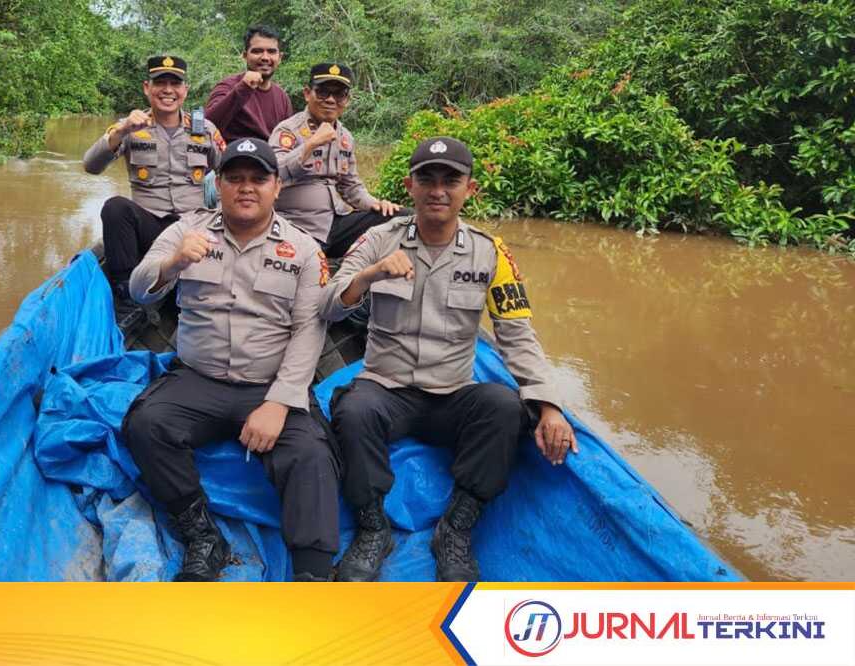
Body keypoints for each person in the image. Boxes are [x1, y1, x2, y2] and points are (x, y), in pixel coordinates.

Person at [321, 137, 578, 582]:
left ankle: (456, 529)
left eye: (450, 180)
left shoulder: (491, 253)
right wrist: (370, 274)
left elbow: (516, 334)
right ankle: (372, 528)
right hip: (385, 386)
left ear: (469, 189)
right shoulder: (378, 239)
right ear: (410, 185)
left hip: (452, 393)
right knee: (351, 408)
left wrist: (549, 406)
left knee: (503, 407)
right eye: (427, 179)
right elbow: (328, 306)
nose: (438, 190)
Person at [122, 138, 339, 582]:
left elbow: (309, 331)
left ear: (276, 186)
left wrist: (280, 403)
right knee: (145, 425)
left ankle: (313, 576)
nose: (246, 188)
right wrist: (173, 263)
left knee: (313, 456)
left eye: (258, 178)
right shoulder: (187, 230)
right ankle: (201, 534)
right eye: (234, 178)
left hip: (269, 382)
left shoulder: (304, 249)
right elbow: (138, 290)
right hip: (198, 379)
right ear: (216, 184)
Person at [83, 55, 225, 331]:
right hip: (148, 225)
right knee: (115, 207)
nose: (168, 90)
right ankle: (127, 297)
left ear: (186, 89)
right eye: (160, 83)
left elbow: (228, 171)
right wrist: (122, 131)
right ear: (147, 88)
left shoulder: (205, 130)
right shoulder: (131, 127)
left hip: (191, 227)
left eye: (175, 83)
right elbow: (91, 166)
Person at [270, 63, 405, 258]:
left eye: (339, 94)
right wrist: (311, 144)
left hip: (336, 222)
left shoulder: (345, 137)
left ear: (347, 100)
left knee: (402, 218)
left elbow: (351, 186)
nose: (331, 100)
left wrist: (375, 204)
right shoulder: (288, 130)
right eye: (323, 92)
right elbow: (271, 174)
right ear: (308, 94)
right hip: (297, 224)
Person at [205, 25, 294, 143]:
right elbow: (207, 126)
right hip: (233, 157)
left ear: (280, 57)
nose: (265, 57)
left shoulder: (282, 97)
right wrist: (244, 88)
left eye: (271, 52)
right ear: (245, 56)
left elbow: (287, 139)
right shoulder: (228, 87)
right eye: (257, 51)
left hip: (270, 158)